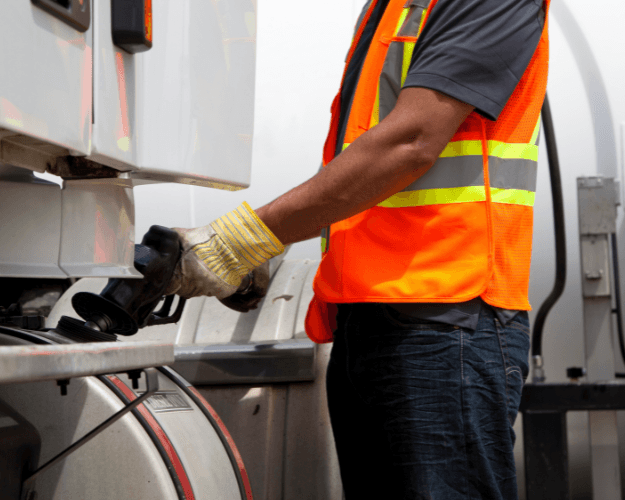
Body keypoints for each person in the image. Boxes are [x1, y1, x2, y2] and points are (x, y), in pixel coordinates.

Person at [167, 0, 549, 498]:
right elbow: (367, 162)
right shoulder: (388, 7)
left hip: (446, 319)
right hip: (374, 321)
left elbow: (411, 141)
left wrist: (247, 240)